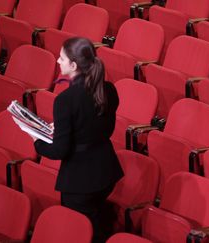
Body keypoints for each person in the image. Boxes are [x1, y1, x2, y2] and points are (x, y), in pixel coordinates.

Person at [33, 37, 123, 243]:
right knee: (95, 224)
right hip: (105, 172)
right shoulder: (108, 89)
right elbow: (102, 129)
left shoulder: (65, 100)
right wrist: (68, 129)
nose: (57, 61)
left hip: (80, 181)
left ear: (73, 65)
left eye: (61, 58)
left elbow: (59, 151)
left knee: (80, 232)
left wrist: (36, 139)